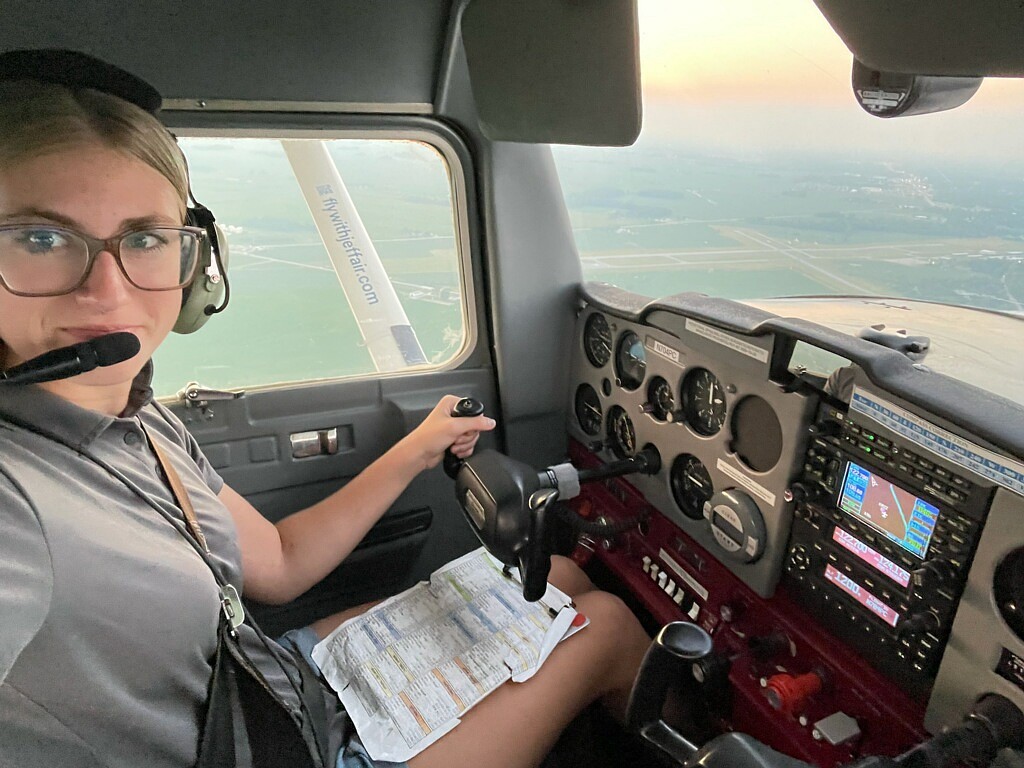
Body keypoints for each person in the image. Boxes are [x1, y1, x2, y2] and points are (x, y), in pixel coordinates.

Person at [0, 52, 653, 768]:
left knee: (558, 579)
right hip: (282, 746)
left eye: (147, 239)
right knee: (613, 627)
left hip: (268, 690)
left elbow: (278, 563)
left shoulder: (135, 417)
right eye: (41, 238)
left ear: (195, 262)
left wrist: (419, 446)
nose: (108, 291)